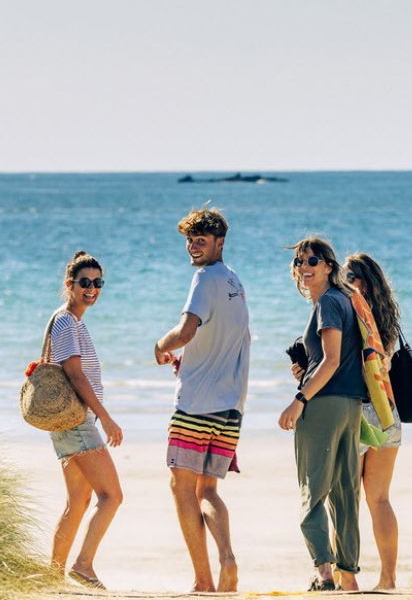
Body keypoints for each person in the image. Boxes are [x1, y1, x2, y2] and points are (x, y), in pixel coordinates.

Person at [153, 208, 251, 592]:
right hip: (230, 407)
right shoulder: (235, 282)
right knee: (208, 490)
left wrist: (160, 346)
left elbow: (186, 331)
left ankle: (203, 580)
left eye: (201, 240)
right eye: (190, 240)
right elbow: (232, 343)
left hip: (195, 406)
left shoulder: (204, 278)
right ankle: (227, 556)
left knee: (182, 488)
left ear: (220, 243)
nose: (193, 247)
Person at [278, 237, 366, 592]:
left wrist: (300, 398)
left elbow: (330, 360)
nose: (305, 266)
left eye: (313, 260)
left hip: (325, 404)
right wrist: (307, 371)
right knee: (345, 491)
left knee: (312, 489)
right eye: (300, 261)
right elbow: (335, 360)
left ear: (329, 265)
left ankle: (324, 573)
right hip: (350, 404)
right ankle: (349, 575)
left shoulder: (328, 303)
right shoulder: (345, 300)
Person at [45, 251, 123, 590]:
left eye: (97, 283)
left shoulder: (72, 322)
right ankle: (83, 565)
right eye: (84, 283)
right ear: (69, 285)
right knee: (112, 496)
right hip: (77, 423)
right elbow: (75, 377)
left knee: (77, 502)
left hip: (67, 423)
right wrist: (105, 419)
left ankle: (53, 576)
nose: (91, 289)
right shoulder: (65, 322)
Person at [344, 252, 404, 590]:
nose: (344, 281)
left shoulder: (348, 315)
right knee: (379, 499)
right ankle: (388, 578)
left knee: (347, 499)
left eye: (349, 276)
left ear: (363, 282)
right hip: (386, 412)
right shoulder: (386, 321)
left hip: (356, 413)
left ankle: (348, 581)